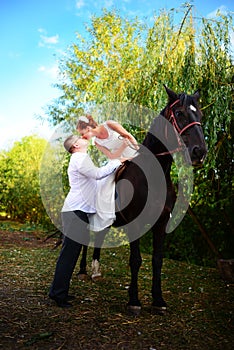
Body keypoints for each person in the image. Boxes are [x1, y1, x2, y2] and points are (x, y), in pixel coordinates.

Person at [49, 135, 122, 308]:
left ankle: (60, 291)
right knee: (69, 254)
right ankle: (57, 294)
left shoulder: (81, 158)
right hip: (75, 212)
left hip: (78, 212)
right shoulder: (79, 158)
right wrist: (117, 161)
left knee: (71, 254)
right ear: (75, 145)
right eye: (80, 138)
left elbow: (96, 182)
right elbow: (97, 174)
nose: (84, 138)